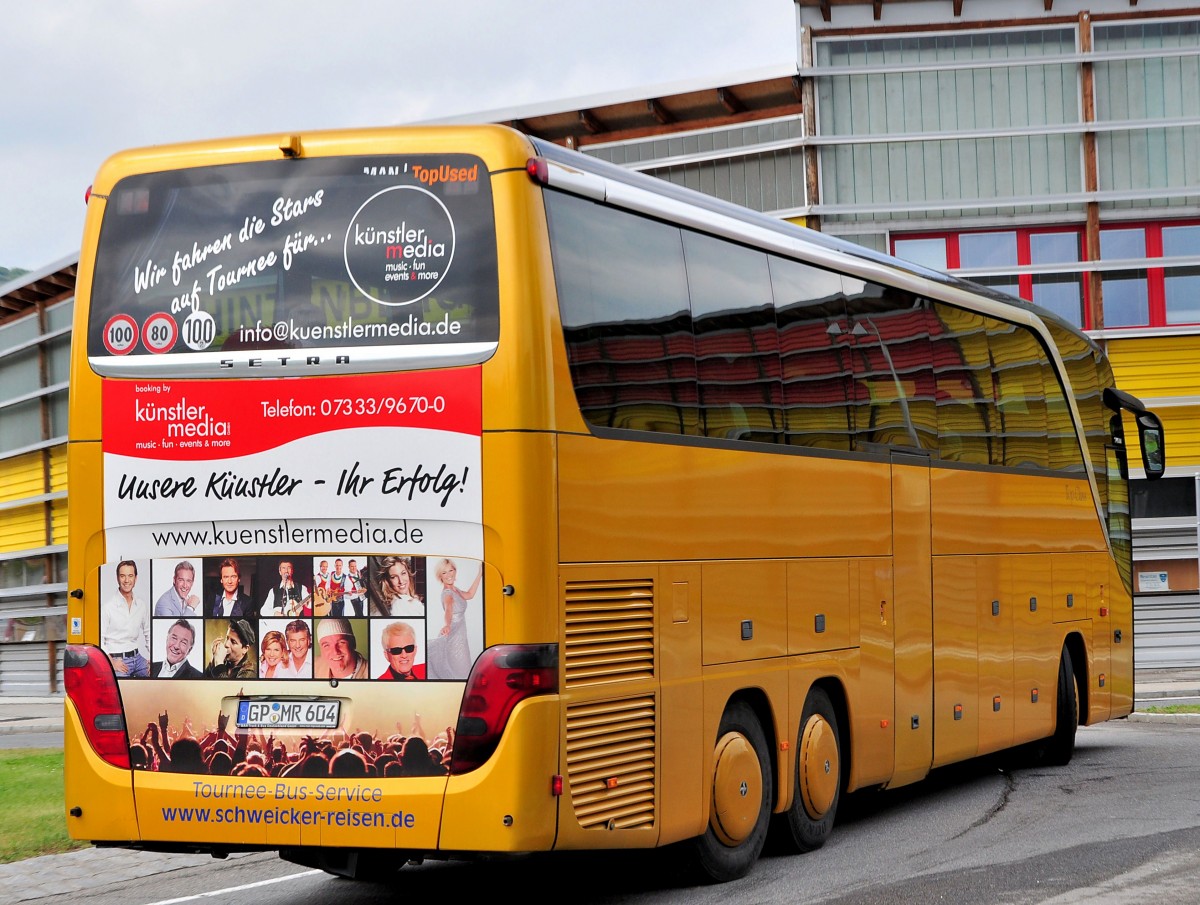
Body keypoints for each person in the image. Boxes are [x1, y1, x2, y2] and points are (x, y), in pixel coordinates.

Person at [426, 559, 481, 680]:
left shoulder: (455, 590)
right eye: (444, 572)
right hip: (454, 633)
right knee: (459, 667)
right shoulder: (448, 594)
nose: (449, 574)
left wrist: (480, 574)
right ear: (440, 576)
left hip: (460, 634)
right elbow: (448, 610)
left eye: (451, 570)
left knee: (462, 666)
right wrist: (447, 625)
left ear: (455, 571)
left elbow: (470, 594)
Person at [101, 560, 150, 677]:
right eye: (122, 576)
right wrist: (111, 662)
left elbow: (148, 633)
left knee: (157, 676)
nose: (127, 580)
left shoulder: (141, 605)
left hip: (137, 658)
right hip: (118, 660)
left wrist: (153, 659)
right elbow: (99, 639)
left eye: (130, 576)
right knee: (122, 692)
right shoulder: (108, 607)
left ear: (135, 578)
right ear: (117, 578)